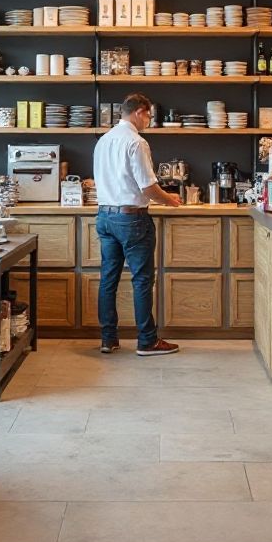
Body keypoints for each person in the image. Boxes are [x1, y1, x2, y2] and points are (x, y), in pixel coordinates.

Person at [92, 93, 182, 356]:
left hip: (105, 216)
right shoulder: (136, 142)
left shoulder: (104, 141)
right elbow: (148, 188)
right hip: (132, 218)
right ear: (140, 111)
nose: (149, 121)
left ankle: (108, 339)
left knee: (108, 280)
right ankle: (147, 341)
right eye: (149, 116)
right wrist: (170, 201)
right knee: (142, 281)